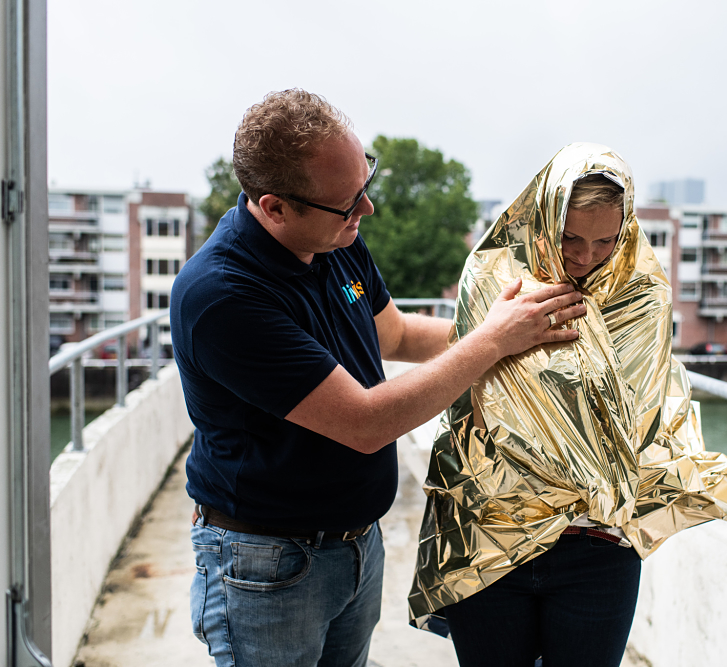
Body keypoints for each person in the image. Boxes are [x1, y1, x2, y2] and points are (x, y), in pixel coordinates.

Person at [169, 89, 586, 667]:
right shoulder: (223, 297)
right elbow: (366, 422)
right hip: (268, 566)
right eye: (347, 203)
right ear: (274, 207)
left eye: (366, 183)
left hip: (354, 547)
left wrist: (519, 321)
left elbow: (394, 336)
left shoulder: (334, 240)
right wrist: (494, 340)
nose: (366, 211)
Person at [407, 143, 727, 667]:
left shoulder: (643, 294)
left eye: (605, 240)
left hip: (597, 548)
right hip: (490, 535)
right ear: (545, 215)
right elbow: (488, 409)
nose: (586, 255)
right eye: (570, 236)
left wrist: (521, 351)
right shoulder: (491, 276)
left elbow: (629, 425)